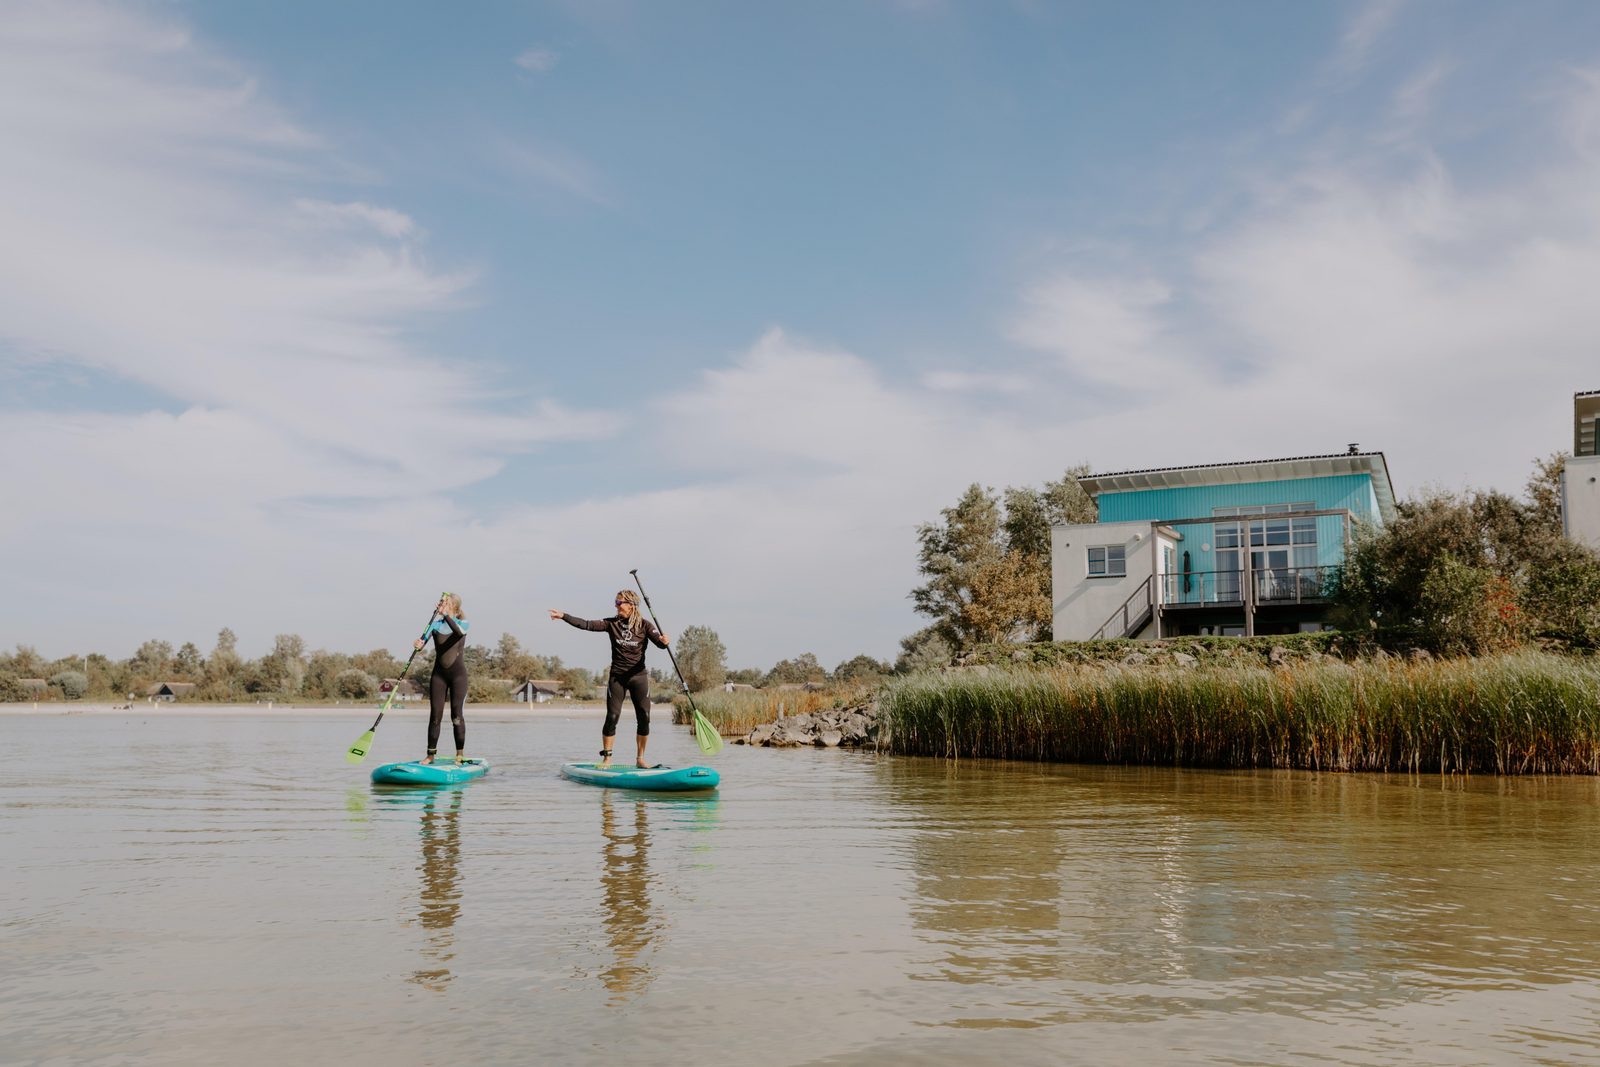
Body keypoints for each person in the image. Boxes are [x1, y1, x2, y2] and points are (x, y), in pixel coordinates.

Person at [549, 590, 669, 768]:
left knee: (644, 717)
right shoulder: (611, 624)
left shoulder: (645, 625)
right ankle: (607, 758)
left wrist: (664, 641)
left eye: (619, 602)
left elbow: (660, 644)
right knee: (612, 716)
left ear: (631, 605)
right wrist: (564, 616)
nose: (616, 605)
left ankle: (640, 759)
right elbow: (586, 624)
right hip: (617, 678)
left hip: (638, 677)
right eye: (616, 602)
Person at [415, 592, 470, 765]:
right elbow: (421, 644)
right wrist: (418, 645)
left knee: (456, 716)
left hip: (458, 676)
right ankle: (430, 755)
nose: (440, 605)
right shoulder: (434, 625)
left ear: (453, 606)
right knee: (435, 716)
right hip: (439, 675)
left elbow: (459, 633)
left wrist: (446, 615)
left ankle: (459, 755)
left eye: (444, 603)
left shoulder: (463, 623)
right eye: (440, 603)